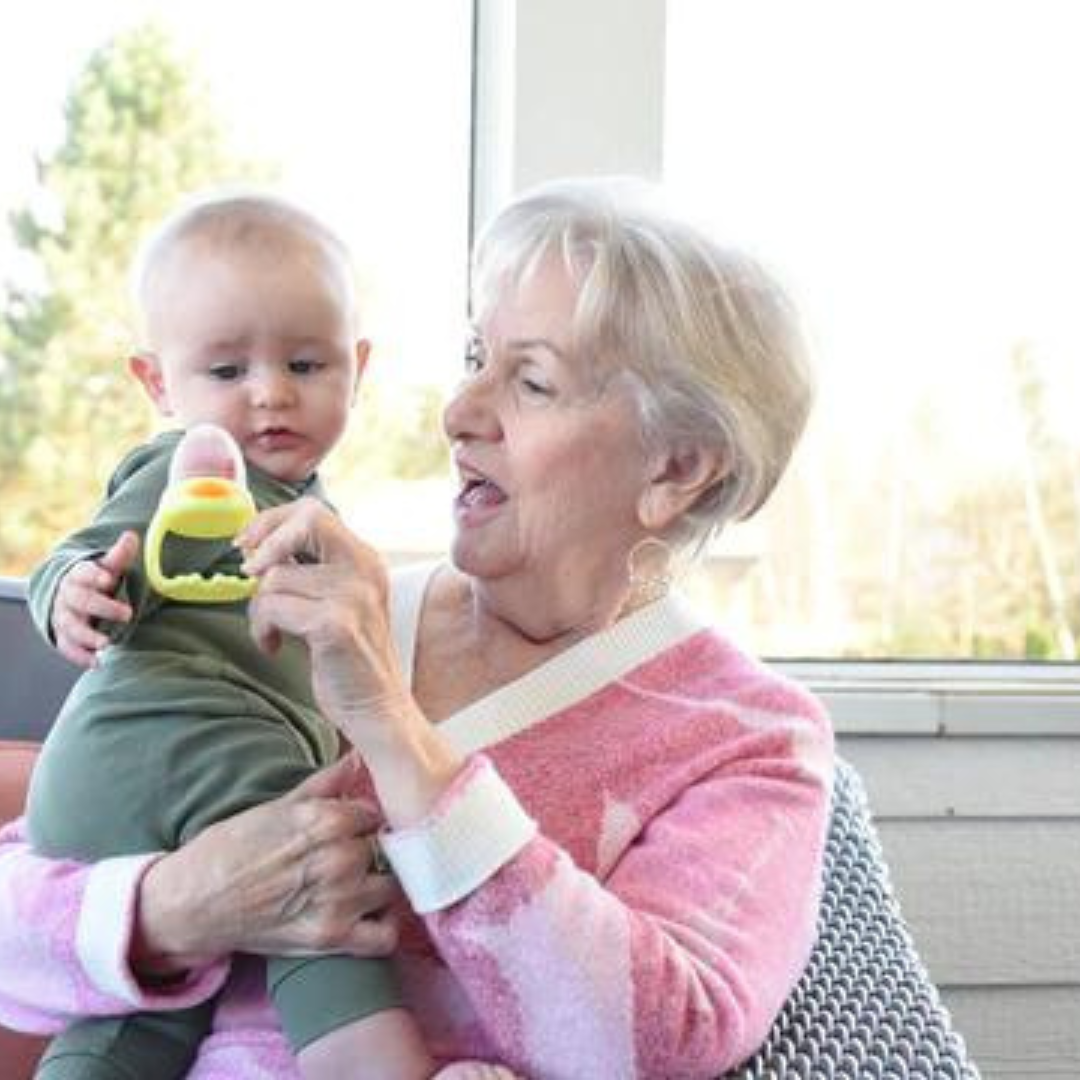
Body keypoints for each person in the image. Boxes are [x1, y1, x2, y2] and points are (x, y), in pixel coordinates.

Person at [0, 176, 834, 1079]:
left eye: (532, 381)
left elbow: (660, 1039)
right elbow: (37, 880)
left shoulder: (747, 739)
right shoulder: (302, 603)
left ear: (678, 467)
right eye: (477, 356)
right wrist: (168, 911)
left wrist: (397, 737)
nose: (459, 413)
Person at [20, 193, 442, 1078]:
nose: (271, 393)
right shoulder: (200, 471)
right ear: (156, 384)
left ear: (356, 368)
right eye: (225, 372)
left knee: (146, 1023)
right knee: (320, 863)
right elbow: (87, 549)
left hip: (133, 794)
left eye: (303, 361)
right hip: (163, 747)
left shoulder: (316, 514)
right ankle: (370, 1060)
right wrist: (73, 592)